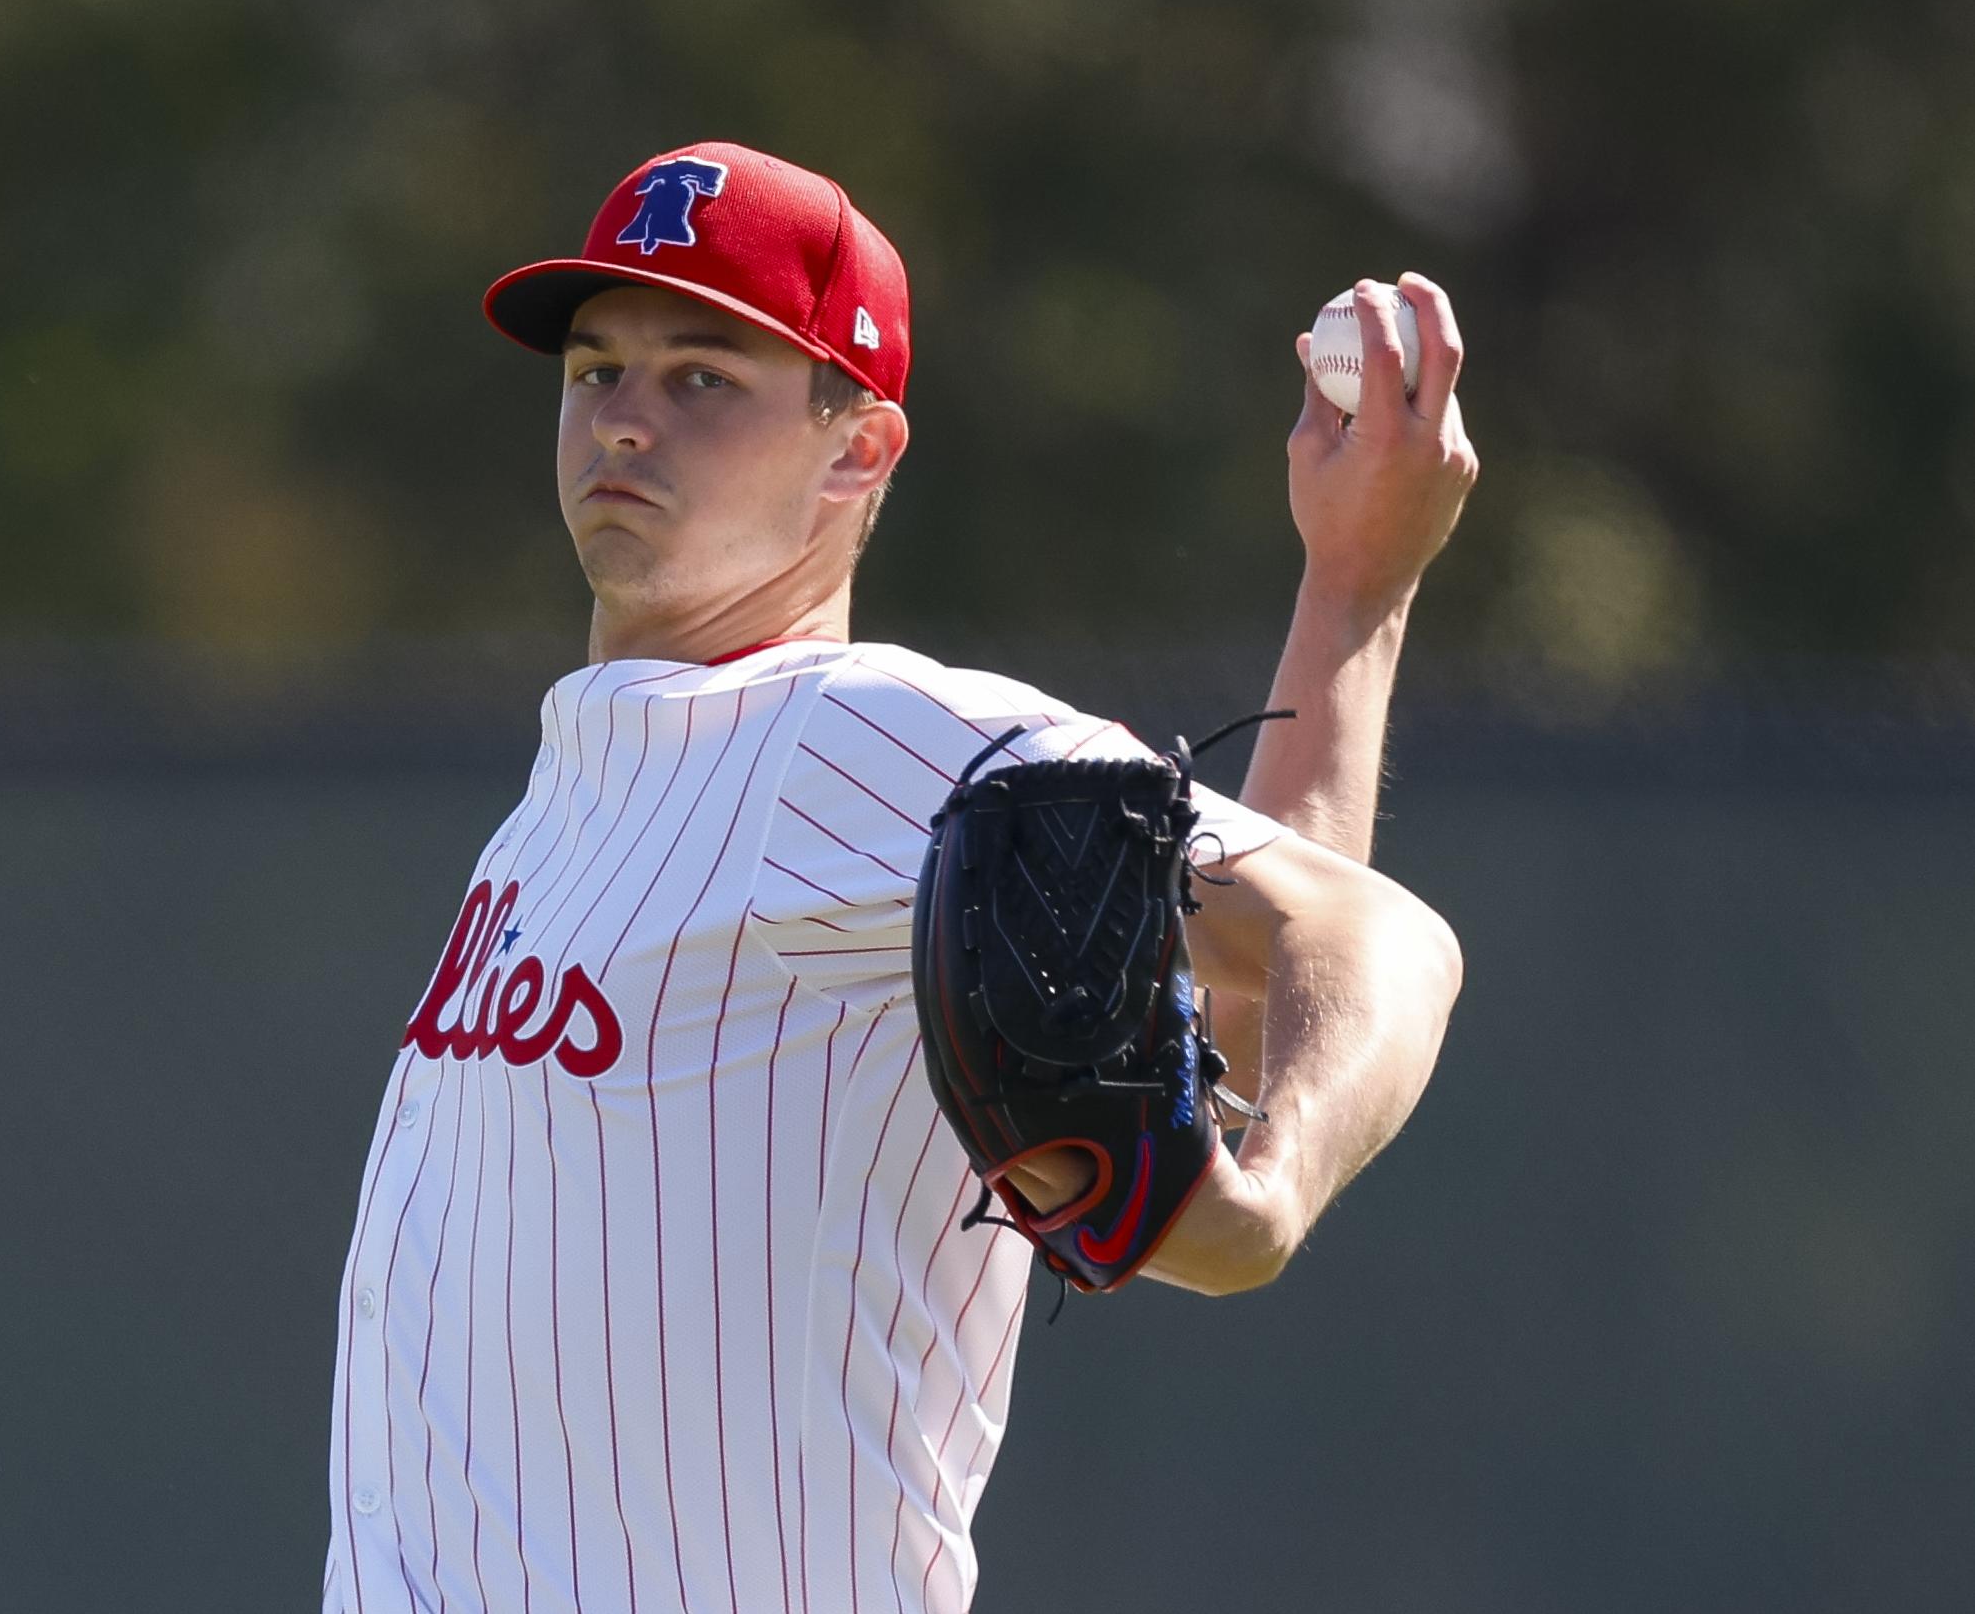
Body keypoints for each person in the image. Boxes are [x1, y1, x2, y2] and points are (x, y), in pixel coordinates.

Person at [324, 142, 1473, 1614]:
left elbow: (1376, 938)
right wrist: (1350, 596)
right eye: (595, 368)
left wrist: (1259, 1207)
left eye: (700, 380)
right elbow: (1239, 996)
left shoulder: (852, 739)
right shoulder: (586, 779)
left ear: (856, 449)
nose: (620, 420)